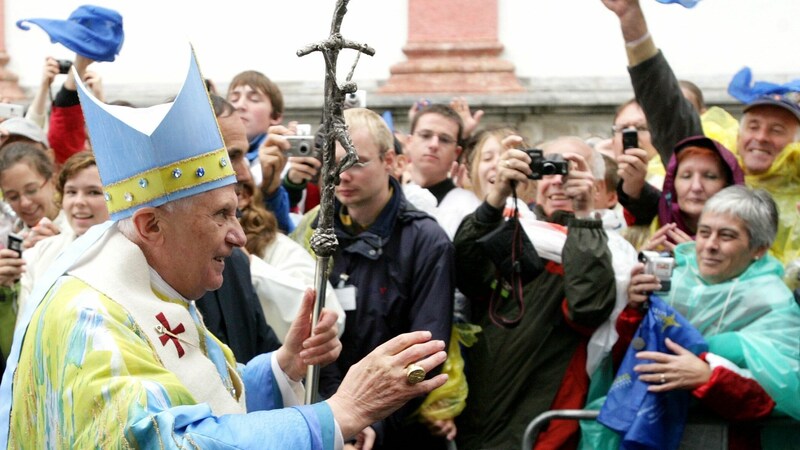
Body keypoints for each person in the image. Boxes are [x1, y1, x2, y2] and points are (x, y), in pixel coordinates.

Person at [0, 50, 448, 449]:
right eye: (220, 215)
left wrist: (282, 366)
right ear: (150, 224)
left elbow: (207, 395)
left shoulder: (157, 286)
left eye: (236, 213)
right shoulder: (90, 320)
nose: (238, 237)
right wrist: (341, 411)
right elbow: (174, 440)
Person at [292, 108, 455, 449]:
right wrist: (337, 415)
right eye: (333, 163)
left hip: (398, 429)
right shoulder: (318, 234)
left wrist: (368, 421)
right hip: (330, 421)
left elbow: (424, 349)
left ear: (390, 161)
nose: (342, 176)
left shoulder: (425, 240)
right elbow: (310, 340)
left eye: (356, 162)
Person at [593, 185, 800, 448]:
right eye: (704, 233)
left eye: (726, 236)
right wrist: (632, 310)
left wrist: (709, 378)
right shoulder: (671, 282)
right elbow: (621, 360)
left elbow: (784, 399)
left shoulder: (775, 304)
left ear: (758, 249)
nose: (710, 246)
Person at [601, 0, 800, 264]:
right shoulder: (713, 160)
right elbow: (665, 107)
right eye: (753, 126)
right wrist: (631, 19)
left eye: (777, 130)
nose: (761, 137)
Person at [454, 136, 616, 449]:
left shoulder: (610, 248)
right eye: (549, 167)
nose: (558, 180)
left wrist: (583, 217)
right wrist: (496, 196)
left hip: (542, 428)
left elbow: (588, 306)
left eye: (570, 168)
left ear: (597, 186)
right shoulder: (511, 229)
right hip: (480, 418)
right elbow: (464, 272)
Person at [210, 93, 344, 343]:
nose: (245, 174)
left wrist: (249, 266)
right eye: (231, 157)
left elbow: (328, 319)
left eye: (245, 157)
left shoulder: (272, 249)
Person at [17, 151, 107, 319]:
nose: (79, 202)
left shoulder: (134, 254)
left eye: (94, 192)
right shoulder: (39, 253)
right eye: (71, 192)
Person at [617, 135, 745, 251]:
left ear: (727, 187)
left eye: (710, 176)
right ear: (673, 185)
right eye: (686, 176)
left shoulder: (745, 239)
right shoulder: (650, 231)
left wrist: (702, 262)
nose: (696, 187)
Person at [405, 104, 481, 239]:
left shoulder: (469, 206)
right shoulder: (388, 197)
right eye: (425, 135)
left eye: (444, 139)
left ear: (456, 153)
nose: (434, 144)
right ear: (409, 142)